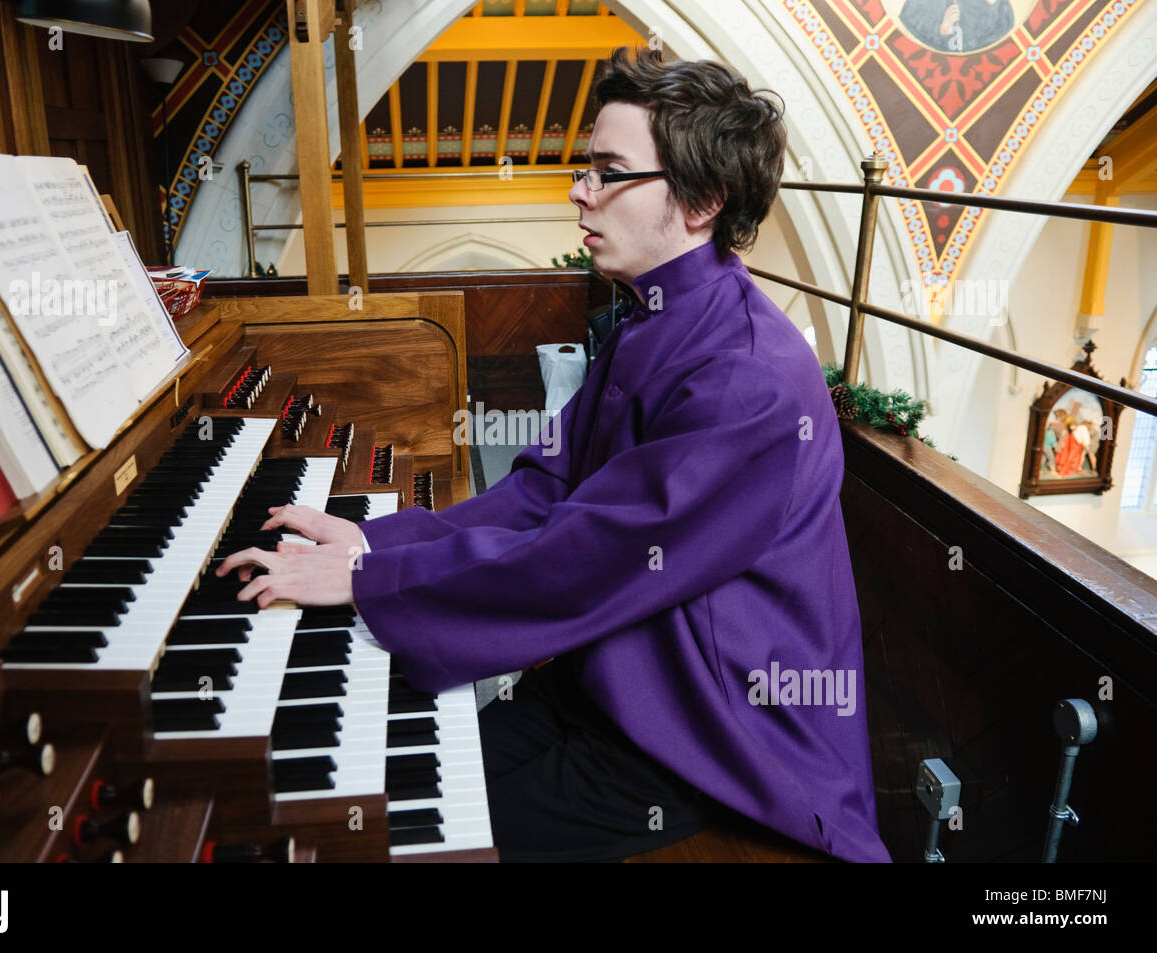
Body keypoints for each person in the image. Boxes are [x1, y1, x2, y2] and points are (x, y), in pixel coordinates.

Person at [216, 46, 890, 863]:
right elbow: (543, 490)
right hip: (608, 684)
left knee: (392, 841)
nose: (578, 191)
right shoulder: (654, 317)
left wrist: (368, 582)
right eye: (585, 167)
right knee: (365, 777)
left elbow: (587, 557)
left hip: (708, 738)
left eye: (609, 172)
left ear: (703, 199)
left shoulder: (750, 380)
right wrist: (372, 543)